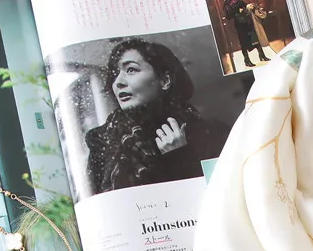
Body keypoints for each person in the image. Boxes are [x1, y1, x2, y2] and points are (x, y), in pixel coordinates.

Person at [85, 39, 229, 195]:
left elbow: (218, 196)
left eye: (131, 70)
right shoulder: (101, 140)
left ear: (164, 81)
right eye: (115, 74)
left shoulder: (208, 134)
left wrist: (179, 156)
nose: (118, 82)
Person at [223, 0, 273, 68]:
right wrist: (237, 7)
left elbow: (244, 5)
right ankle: (247, 60)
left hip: (248, 21)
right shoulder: (227, 3)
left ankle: (262, 55)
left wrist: (248, 6)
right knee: (244, 42)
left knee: (255, 38)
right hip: (240, 25)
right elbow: (229, 16)